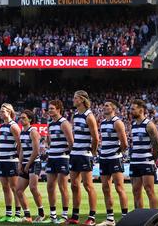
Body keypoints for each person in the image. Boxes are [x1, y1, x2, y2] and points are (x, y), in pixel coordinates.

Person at [68, 90, 99, 225]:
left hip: (85, 154)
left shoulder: (89, 116)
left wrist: (92, 153)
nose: (73, 100)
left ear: (81, 100)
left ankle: (92, 217)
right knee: (74, 185)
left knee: (88, 185)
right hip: (75, 153)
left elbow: (96, 138)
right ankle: (75, 216)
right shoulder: (75, 115)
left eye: (75, 98)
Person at [96, 100, 128, 226]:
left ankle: (125, 218)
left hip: (114, 158)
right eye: (104, 105)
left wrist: (116, 153)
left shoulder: (117, 122)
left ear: (113, 108)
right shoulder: (103, 123)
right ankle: (110, 219)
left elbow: (124, 143)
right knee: (105, 188)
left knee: (119, 188)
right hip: (104, 158)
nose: (104, 107)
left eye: (107, 105)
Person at [129, 99, 158, 209]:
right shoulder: (133, 124)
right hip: (134, 161)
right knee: (136, 191)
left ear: (141, 110)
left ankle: (154, 217)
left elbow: (156, 145)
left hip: (146, 162)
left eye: (133, 109)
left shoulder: (149, 125)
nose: (130, 111)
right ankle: (139, 217)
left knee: (149, 190)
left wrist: (152, 160)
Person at [16, 109, 45, 222]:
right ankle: (27, 216)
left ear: (30, 119)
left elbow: (36, 151)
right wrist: (20, 163)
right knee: (19, 190)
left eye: (23, 118)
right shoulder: (22, 132)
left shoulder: (33, 131)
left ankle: (41, 214)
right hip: (25, 163)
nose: (21, 120)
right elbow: (22, 149)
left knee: (33, 188)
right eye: (20, 118)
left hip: (34, 163)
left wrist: (28, 164)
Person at [46, 99, 72, 224]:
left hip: (62, 157)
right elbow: (49, 141)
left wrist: (70, 156)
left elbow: (71, 142)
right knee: (50, 186)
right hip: (52, 157)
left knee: (62, 187)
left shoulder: (64, 123)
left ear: (58, 109)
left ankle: (65, 215)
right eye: (49, 108)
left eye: (52, 108)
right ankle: (52, 215)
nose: (49, 110)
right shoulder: (50, 123)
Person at [0, 103, 22, 221]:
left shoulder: (14, 126)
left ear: (9, 112)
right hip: (2, 160)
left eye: (3, 111)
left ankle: (17, 214)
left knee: (15, 188)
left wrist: (17, 156)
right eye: (1, 111)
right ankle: (8, 214)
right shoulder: (2, 126)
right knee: (5, 187)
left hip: (11, 160)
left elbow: (20, 144)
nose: (1, 113)